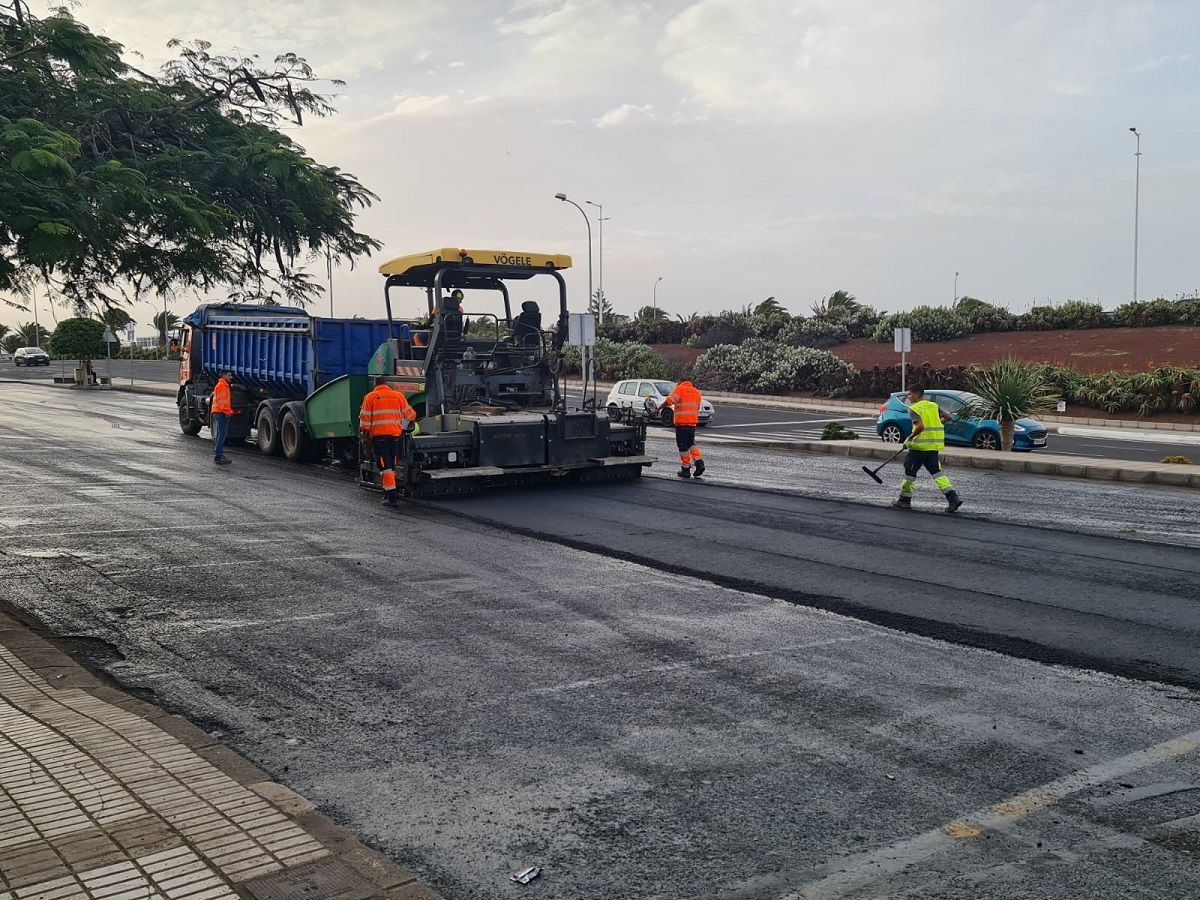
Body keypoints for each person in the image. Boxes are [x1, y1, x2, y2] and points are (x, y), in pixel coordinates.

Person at [893, 385, 963, 512]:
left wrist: (909, 438)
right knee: (938, 474)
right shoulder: (933, 405)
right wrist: (937, 423)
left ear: (917, 394)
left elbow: (920, 427)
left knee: (910, 474)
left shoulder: (914, 408)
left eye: (910, 394)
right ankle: (953, 499)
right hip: (932, 448)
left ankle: (904, 500)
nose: (909, 397)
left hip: (918, 449)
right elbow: (948, 417)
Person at [359, 376, 418, 507]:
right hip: (395, 437)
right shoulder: (398, 396)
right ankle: (387, 492)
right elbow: (411, 415)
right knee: (391, 465)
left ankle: (392, 496)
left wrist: (365, 437)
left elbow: (365, 421)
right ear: (387, 384)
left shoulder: (369, 397)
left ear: (375, 384)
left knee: (385, 467)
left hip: (379, 438)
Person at [661, 380, 706, 479]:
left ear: (680, 382)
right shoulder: (696, 392)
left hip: (682, 423)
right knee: (691, 444)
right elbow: (697, 408)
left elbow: (670, 401)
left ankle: (685, 470)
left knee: (683, 447)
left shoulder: (679, 389)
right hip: (692, 423)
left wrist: (658, 409)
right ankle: (699, 463)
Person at [210, 370, 235, 466]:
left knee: (220, 433)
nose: (231, 377)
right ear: (224, 376)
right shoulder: (222, 386)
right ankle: (218, 455)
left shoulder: (223, 385)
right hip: (221, 412)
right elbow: (223, 402)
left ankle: (219, 454)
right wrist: (227, 413)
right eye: (229, 375)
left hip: (218, 412)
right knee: (222, 434)